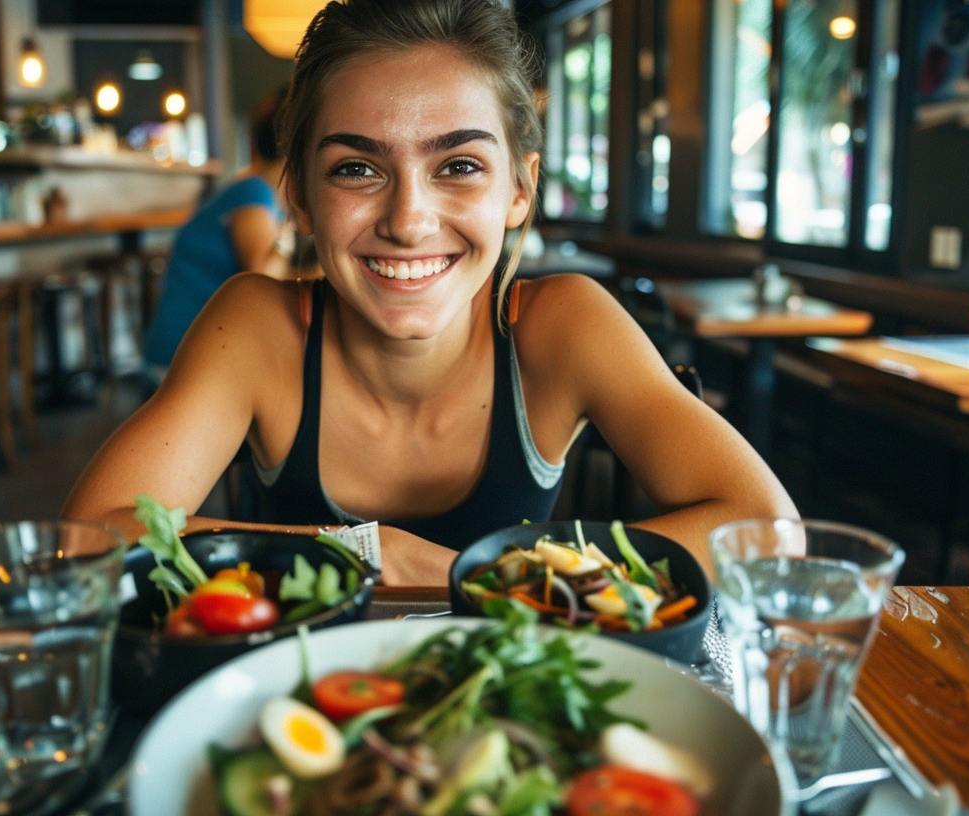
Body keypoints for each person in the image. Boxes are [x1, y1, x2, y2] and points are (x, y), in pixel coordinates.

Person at [64, 0, 797, 585]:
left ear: (520, 188)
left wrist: (484, 573)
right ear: (300, 199)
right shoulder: (257, 325)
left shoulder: (562, 324)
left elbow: (769, 534)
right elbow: (89, 538)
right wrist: (369, 552)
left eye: (460, 166)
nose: (409, 222)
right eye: (356, 169)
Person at [142, 88, 292, 371]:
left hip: (190, 353)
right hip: (182, 365)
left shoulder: (252, 191)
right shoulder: (254, 191)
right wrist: (288, 238)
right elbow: (264, 278)